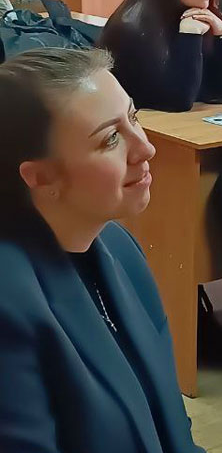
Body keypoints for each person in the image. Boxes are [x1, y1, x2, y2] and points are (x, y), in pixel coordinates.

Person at [0, 47, 204, 453]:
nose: (145, 148)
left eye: (133, 117)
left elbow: (170, 423)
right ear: (41, 177)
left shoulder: (118, 245)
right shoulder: (10, 301)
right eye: (111, 138)